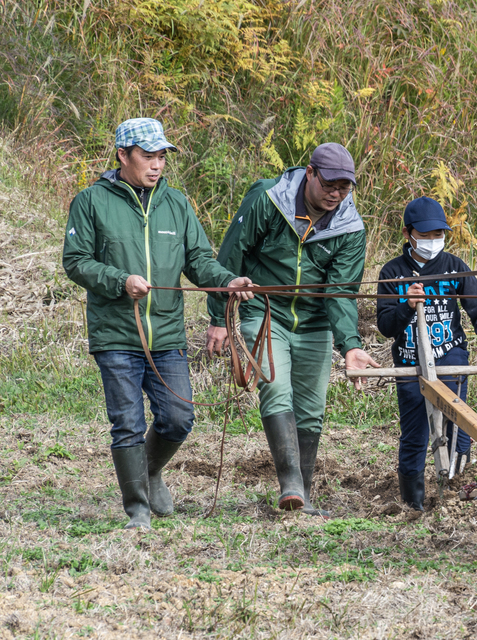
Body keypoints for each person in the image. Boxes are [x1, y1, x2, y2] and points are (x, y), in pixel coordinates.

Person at [62, 118, 255, 530]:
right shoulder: (91, 201)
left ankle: (148, 473)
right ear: (122, 155)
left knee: (179, 417)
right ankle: (137, 509)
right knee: (127, 423)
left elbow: (200, 261)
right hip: (116, 334)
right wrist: (119, 281)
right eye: (147, 156)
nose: (156, 165)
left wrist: (227, 282)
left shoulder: (177, 204)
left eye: (162, 156)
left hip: (166, 333)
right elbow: (75, 261)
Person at [205, 143, 379, 516]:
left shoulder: (350, 228)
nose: (335, 194)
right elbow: (231, 255)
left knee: (312, 409)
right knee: (276, 388)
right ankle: (290, 484)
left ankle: (305, 497)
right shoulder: (267, 199)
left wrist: (350, 345)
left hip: (315, 323)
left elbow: (340, 292)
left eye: (344, 188)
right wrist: (219, 318)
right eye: (330, 184)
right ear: (311, 173)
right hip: (265, 312)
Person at [376, 196, 477, 511]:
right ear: (408, 234)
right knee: (415, 434)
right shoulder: (392, 272)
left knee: (458, 424)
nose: (433, 241)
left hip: (449, 357)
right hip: (410, 363)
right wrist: (406, 305)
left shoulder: (453, 267)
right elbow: (385, 326)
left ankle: (457, 492)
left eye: (439, 235)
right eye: (425, 235)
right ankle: (413, 503)